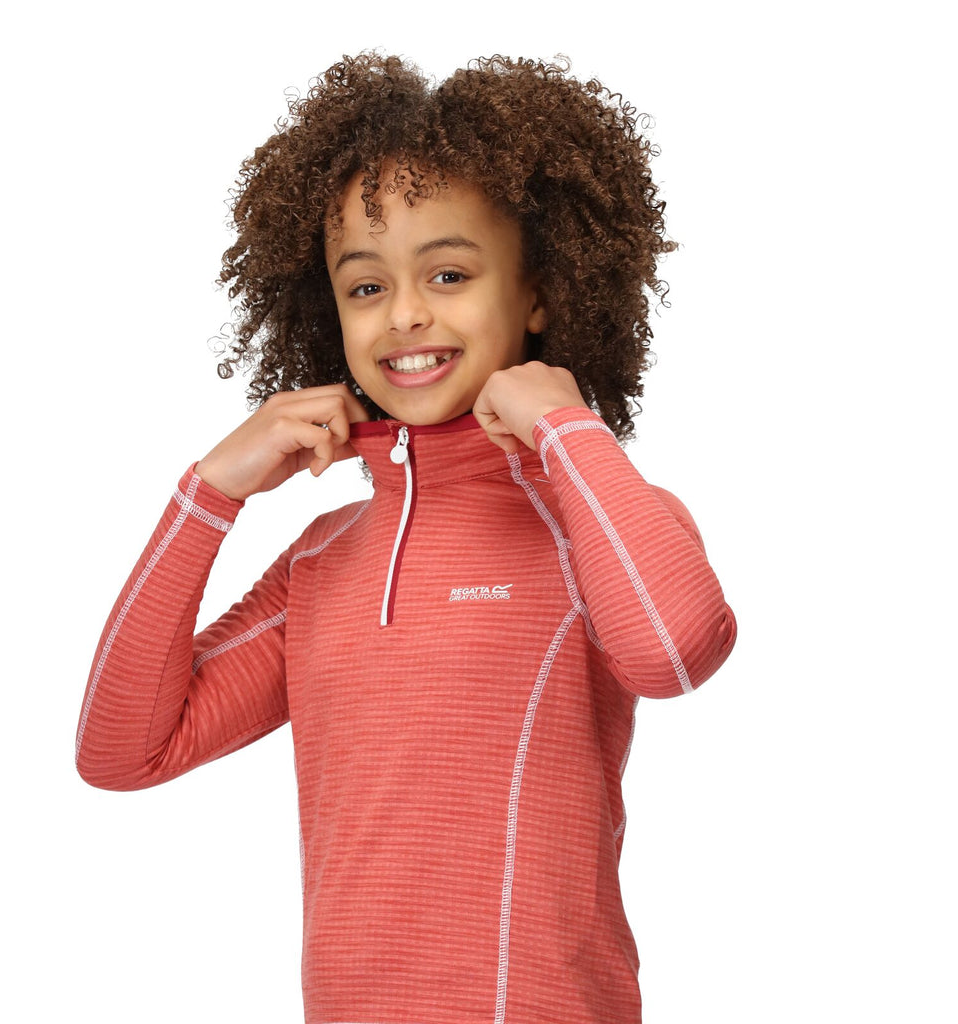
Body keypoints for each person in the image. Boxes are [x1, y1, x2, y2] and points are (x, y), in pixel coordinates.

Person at [76, 53, 737, 1024]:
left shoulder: (598, 516)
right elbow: (123, 751)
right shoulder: (323, 559)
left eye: (450, 273)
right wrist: (206, 496)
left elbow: (674, 653)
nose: (406, 314)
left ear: (540, 293)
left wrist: (565, 430)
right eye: (364, 286)